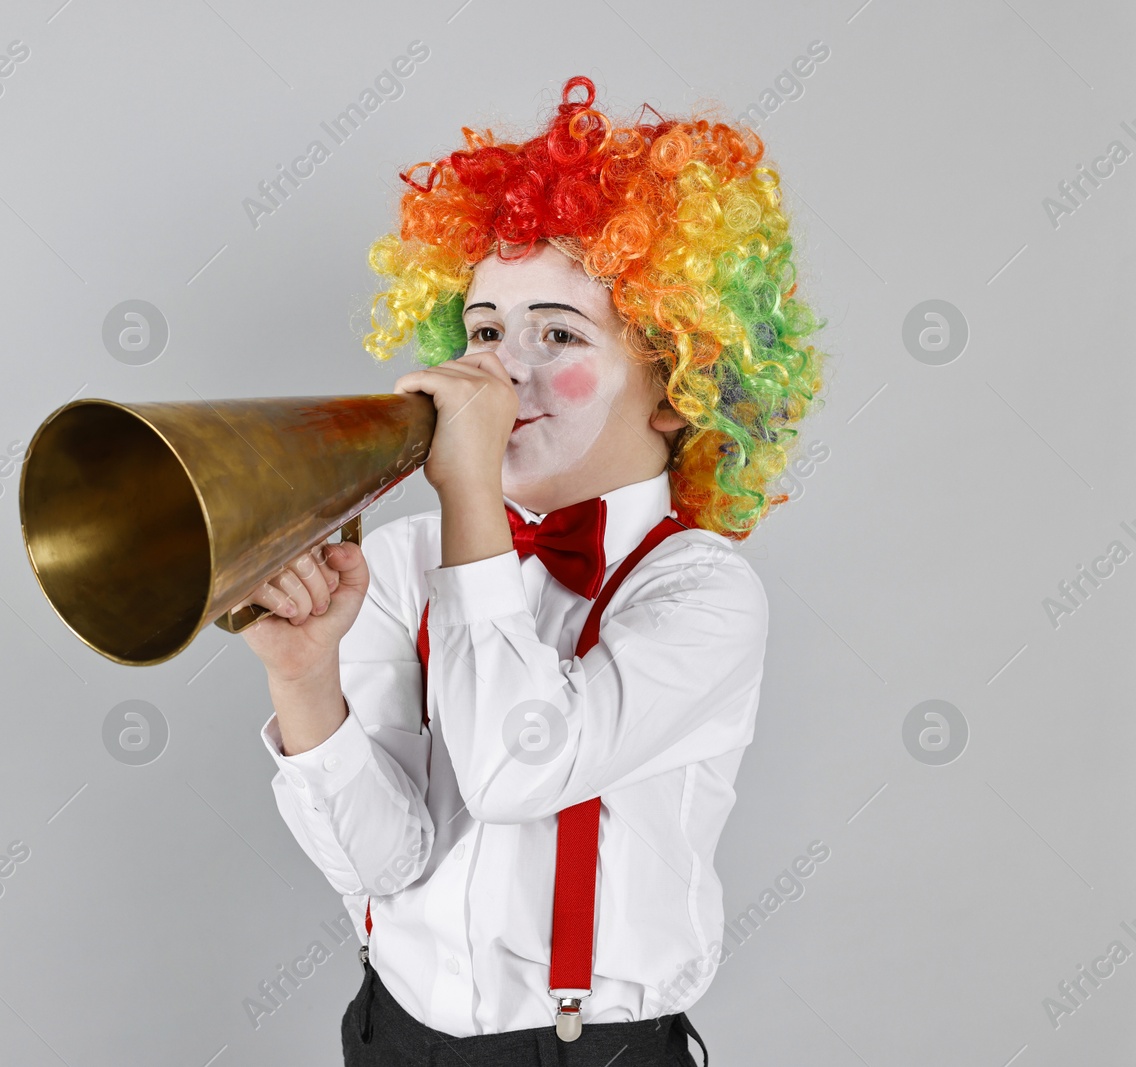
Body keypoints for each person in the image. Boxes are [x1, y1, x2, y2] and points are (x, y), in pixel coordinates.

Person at [234, 75, 826, 1065]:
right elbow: (386, 857)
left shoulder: (702, 592)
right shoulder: (397, 560)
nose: (503, 371)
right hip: (393, 1033)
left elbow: (517, 766)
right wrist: (302, 681)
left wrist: (466, 496)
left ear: (679, 384)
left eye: (558, 334)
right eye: (483, 334)